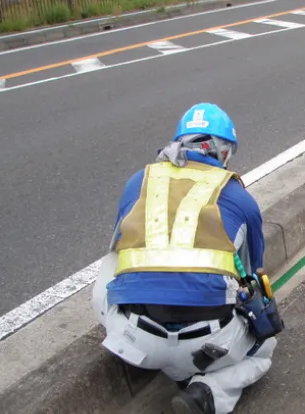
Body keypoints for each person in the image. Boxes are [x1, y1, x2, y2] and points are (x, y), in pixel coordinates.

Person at [91, 103, 280, 414]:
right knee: (264, 350)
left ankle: (138, 345)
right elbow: (251, 273)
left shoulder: (139, 181)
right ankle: (207, 392)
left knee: (112, 258)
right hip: (208, 346)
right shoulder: (238, 197)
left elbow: (120, 248)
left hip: (135, 338)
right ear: (223, 152)